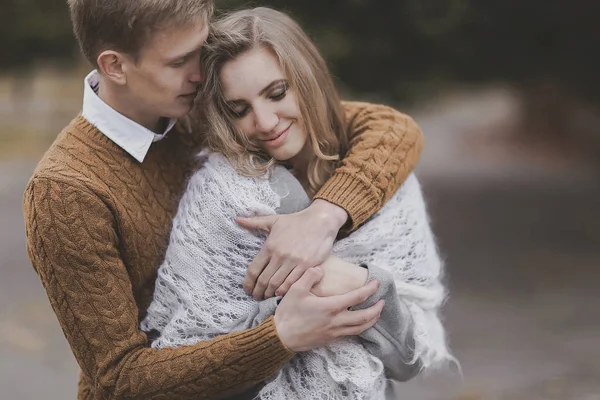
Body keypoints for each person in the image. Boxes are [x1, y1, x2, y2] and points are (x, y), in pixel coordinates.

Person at [22, 1, 425, 399]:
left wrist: (324, 215)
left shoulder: (200, 105)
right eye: (179, 62)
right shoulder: (66, 192)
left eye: (200, 51)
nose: (200, 74)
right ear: (115, 66)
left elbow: (390, 128)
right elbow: (120, 380)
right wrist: (280, 337)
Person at [142, 7, 452, 400]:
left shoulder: (387, 185)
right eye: (240, 109)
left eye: (277, 93)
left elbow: (408, 362)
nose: (266, 121)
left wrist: (362, 283)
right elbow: (192, 367)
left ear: (308, 79)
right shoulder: (221, 199)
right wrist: (282, 328)